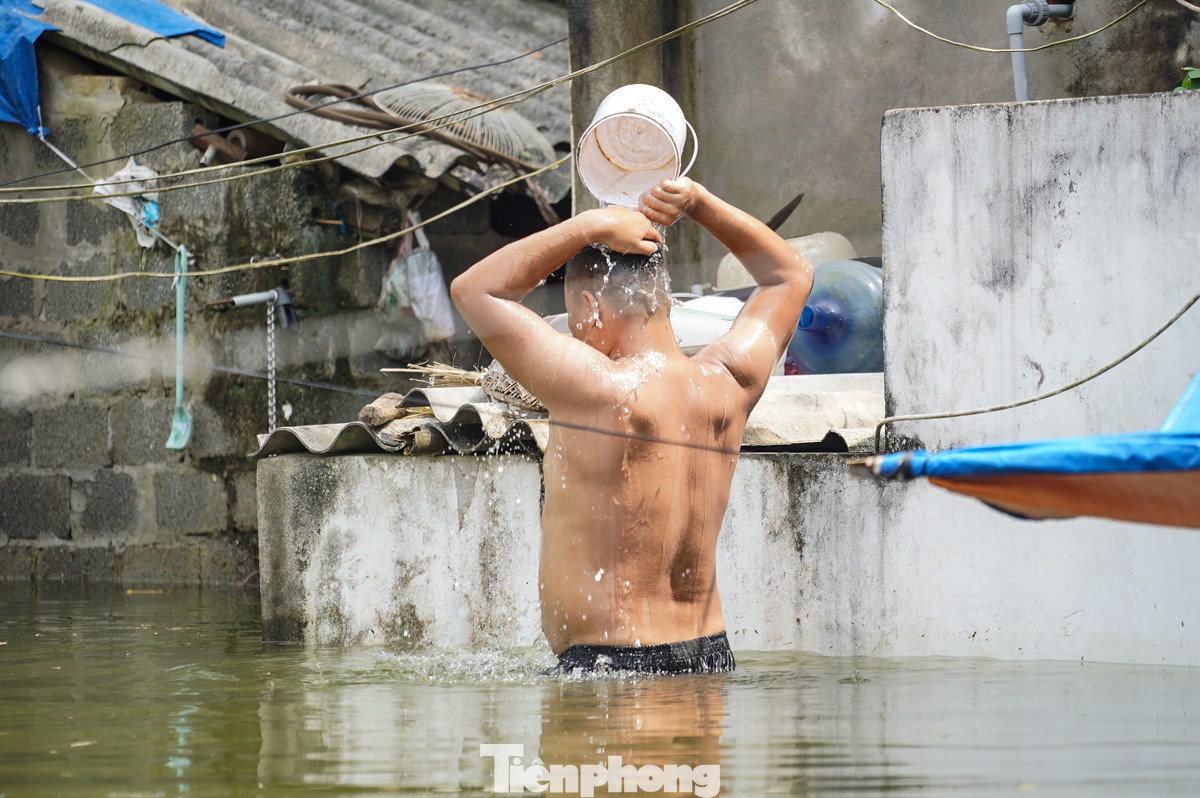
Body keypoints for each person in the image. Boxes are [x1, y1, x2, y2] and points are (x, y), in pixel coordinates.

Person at [450, 178, 812, 675]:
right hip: (709, 657)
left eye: (573, 316)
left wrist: (589, 225)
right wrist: (697, 202)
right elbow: (790, 276)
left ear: (589, 307)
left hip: (614, 670)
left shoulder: (598, 388)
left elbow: (474, 290)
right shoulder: (728, 381)